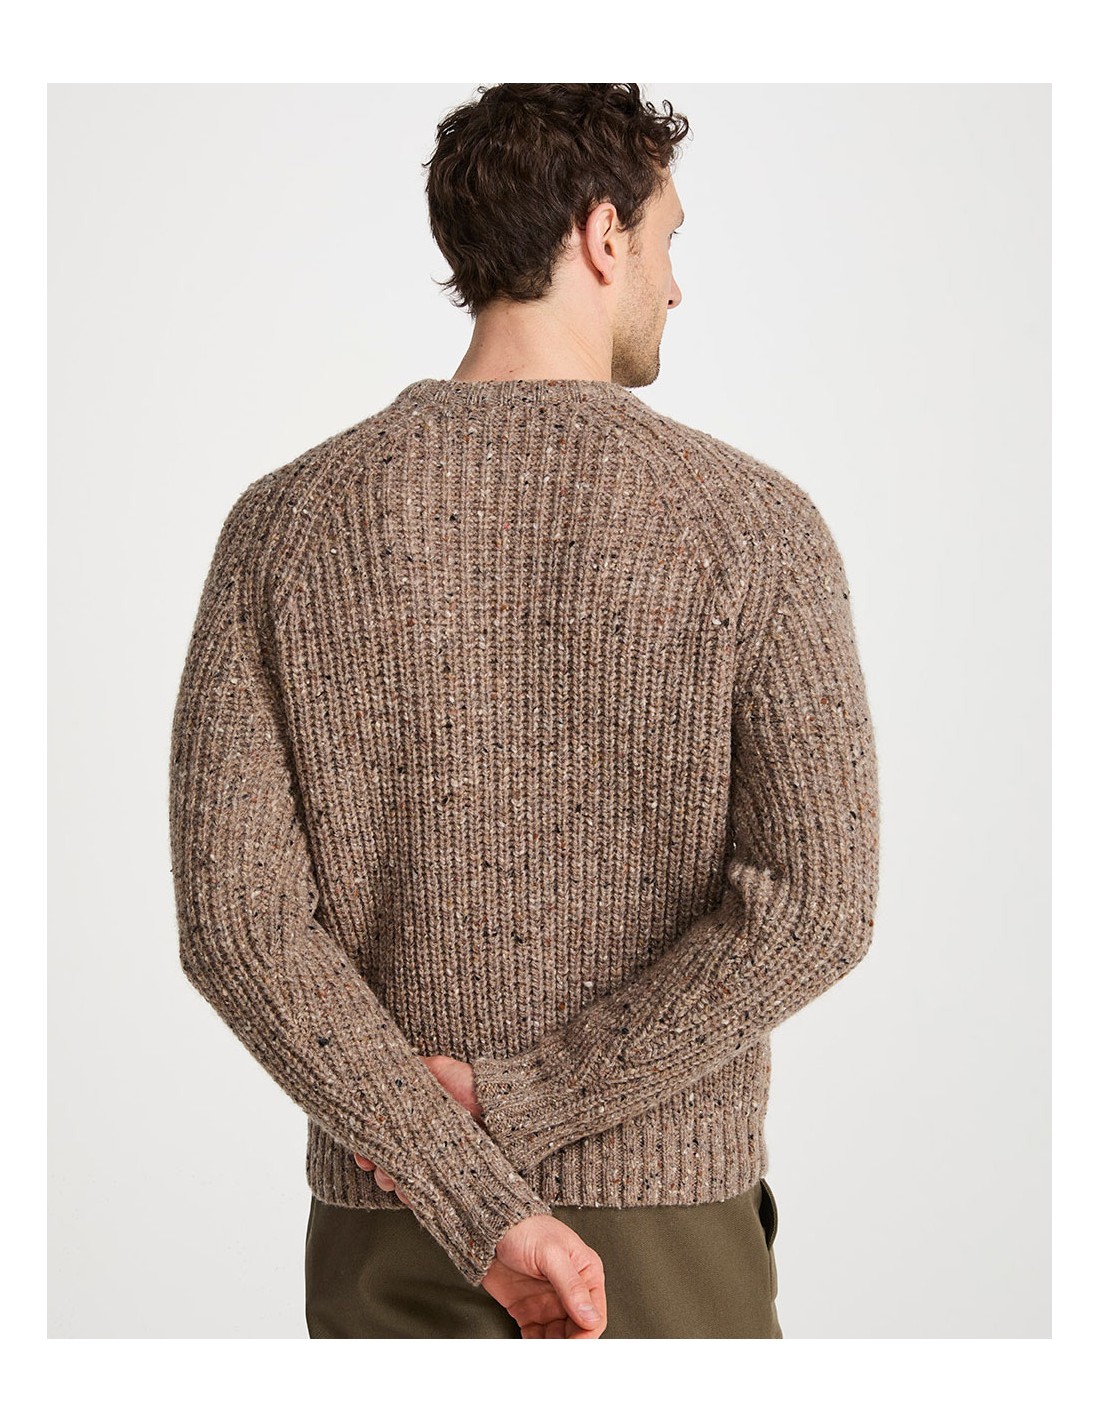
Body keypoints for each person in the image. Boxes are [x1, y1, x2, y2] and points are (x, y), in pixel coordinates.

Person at [168, 82, 880, 1340]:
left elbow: (240, 928)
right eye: (666, 241)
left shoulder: (287, 525)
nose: (674, 287)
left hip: (392, 1222)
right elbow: (814, 905)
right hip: (664, 1229)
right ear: (603, 236)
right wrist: (528, 1101)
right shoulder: (748, 525)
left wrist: (455, 1168)